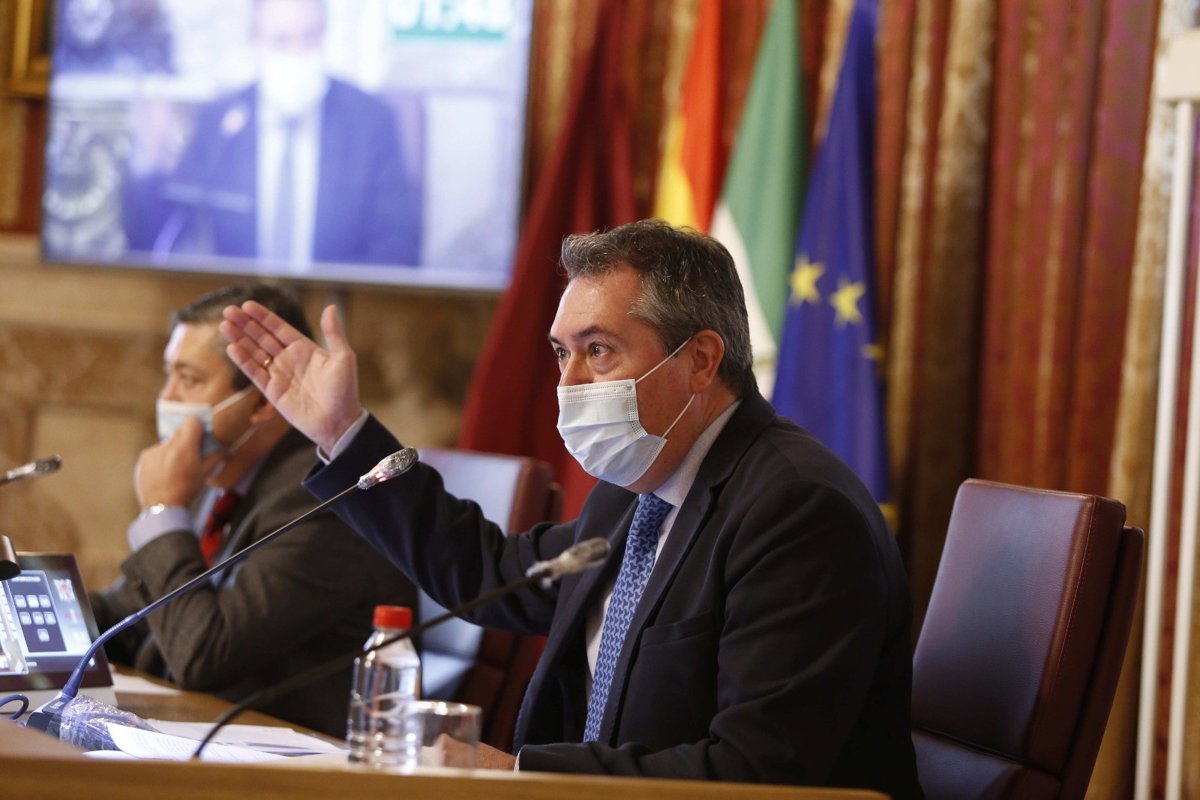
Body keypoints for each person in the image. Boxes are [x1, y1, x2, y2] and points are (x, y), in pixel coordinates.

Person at [220, 220, 923, 796]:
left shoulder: (797, 510)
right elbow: (491, 572)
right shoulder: (637, 484)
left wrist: (517, 774)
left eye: (599, 350)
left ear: (701, 361)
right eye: (562, 353)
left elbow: (756, 773)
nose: (570, 382)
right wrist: (343, 434)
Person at [92, 282, 418, 737]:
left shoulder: (327, 500)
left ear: (262, 400)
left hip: (295, 759)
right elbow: (129, 617)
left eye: (189, 379)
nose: (167, 399)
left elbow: (203, 653)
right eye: (168, 376)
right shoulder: (223, 477)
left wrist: (164, 512)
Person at [122, 0, 421, 268]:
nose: (298, 53)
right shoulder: (221, 122)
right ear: (255, 42)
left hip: (334, 306)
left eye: (310, 37)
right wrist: (151, 162)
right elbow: (161, 238)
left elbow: (397, 245)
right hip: (241, 306)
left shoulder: (369, 121)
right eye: (281, 40)